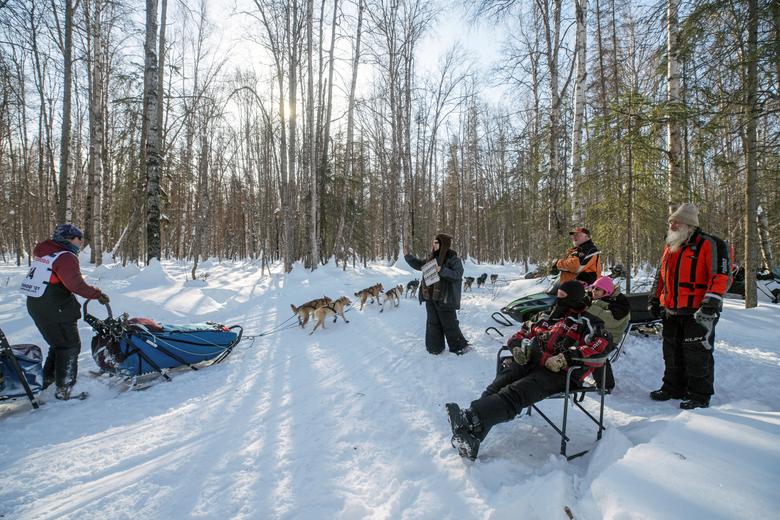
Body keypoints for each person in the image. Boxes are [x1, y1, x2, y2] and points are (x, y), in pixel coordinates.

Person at [445, 280, 611, 460]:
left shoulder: (589, 323)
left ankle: (470, 417)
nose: (557, 300)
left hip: (563, 373)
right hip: (534, 361)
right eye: (557, 295)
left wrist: (567, 358)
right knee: (500, 383)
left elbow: (600, 348)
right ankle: (473, 434)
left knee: (517, 391)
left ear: (574, 299)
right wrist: (516, 347)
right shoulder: (546, 316)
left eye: (562, 297)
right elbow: (521, 333)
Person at [648, 203, 731, 410]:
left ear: (689, 225)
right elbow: (661, 276)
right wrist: (654, 299)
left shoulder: (711, 244)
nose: (672, 224)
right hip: (671, 310)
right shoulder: (670, 246)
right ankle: (672, 388)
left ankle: (700, 395)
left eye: (676, 221)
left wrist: (711, 303)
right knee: (671, 351)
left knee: (697, 353)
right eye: (671, 222)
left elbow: (721, 276)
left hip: (699, 312)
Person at [21, 224, 109, 400]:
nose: (80, 242)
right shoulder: (65, 256)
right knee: (70, 346)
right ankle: (65, 388)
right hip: (55, 306)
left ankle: (48, 379)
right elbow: (75, 284)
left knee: (59, 345)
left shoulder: (45, 253)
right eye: (78, 238)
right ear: (69, 238)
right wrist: (97, 294)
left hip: (38, 305)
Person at [404, 233, 469, 355]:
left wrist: (442, 270)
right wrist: (408, 256)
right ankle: (434, 348)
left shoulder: (452, 258)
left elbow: (457, 274)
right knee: (432, 324)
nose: (434, 245)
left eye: (437, 242)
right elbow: (420, 265)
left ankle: (459, 347)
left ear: (444, 244)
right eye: (433, 242)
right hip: (430, 297)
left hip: (445, 298)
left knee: (450, 324)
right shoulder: (431, 258)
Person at [585, 275, 631, 391]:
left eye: (597, 289)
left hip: (610, 338)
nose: (594, 291)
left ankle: (606, 384)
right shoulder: (599, 300)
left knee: (595, 351)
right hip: (595, 334)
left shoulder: (620, 305)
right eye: (593, 288)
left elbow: (608, 321)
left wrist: (589, 307)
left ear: (607, 291)